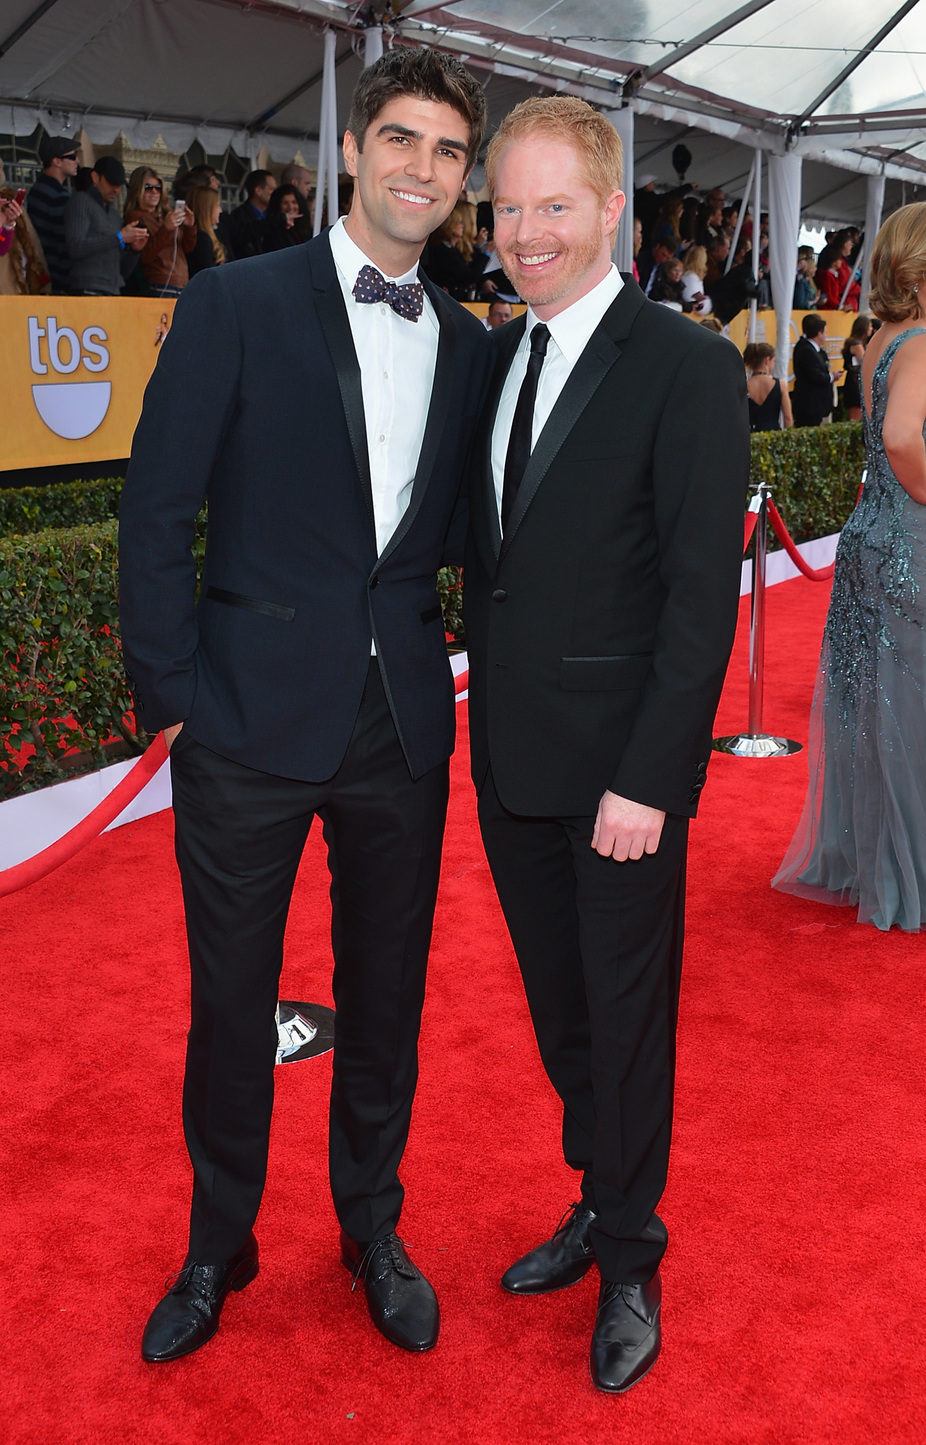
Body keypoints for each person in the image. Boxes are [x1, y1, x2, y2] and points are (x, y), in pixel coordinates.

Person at [118, 46, 488, 1364]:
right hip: (242, 726)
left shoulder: (466, 341)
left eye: (447, 152)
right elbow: (157, 510)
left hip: (401, 729)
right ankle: (219, 1244)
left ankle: (370, 1224)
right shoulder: (235, 302)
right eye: (400, 139)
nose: (421, 170)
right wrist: (172, 700)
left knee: (386, 995)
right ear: (350, 147)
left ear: (463, 179)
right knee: (231, 1004)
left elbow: (476, 547)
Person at [464, 96, 748, 1394]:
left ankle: (632, 1251)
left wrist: (652, 778)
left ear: (611, 212)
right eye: (508, 207)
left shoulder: (681, 365)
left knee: (626, 1020)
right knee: (564, 1013)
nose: (524, 232)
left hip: (621, 779)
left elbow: (702, 595)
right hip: (514, 763)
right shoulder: (496, 359)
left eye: (552, 206)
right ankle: (598, 1191)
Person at [773, 201, 926, 930]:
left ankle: (876, 860)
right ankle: (919, 871)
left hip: (868, 540)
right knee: (919, 704)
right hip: (911, 544)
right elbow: (897, 433)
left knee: (879, 706)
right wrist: (925, 485)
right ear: (925, 264)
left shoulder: (887, 335)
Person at [63, 155, 147, 294]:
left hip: (112, 290)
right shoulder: (81, 201)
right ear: (95, 177)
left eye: (119, 185)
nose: (116, 189)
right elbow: (75, 247)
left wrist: (134, 251)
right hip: (86, 289)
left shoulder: (114, 216)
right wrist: (119, 238)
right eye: (111, 182)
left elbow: (122, 271)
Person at [124, 167, 196, 297]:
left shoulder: (166, 215)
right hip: (160, 283)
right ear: (138, 189)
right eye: (148, 187)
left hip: (182, 283)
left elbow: (187, 248)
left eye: (158, 188)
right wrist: (166, 229)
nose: (154, 192)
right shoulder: (135, 217)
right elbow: (146, 256)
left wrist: (190, 227)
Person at [26, 136, 79, 293]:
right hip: (57, 278)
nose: (77, 161)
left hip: (46, 275)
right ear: (56, 161)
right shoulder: (58, 195)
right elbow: (65, 240)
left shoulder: (38, 190)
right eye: (72, 157)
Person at [792, 313, 840, 426]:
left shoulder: (815, 350)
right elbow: (814, 374)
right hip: (809, 405)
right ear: (819, 333)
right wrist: (831, 377)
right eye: (825, 332)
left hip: (815, 405)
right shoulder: (806, 350)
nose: (826, 335)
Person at [222, 169, 276, 260]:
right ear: (258, 190)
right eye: (271, 189)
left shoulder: (275, 214)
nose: (275, 194)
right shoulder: (237, 217)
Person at [744, 341, 793, 431]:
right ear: (767, 360)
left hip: (750, 437)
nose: (774, 365)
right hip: (773, 437)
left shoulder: (745, 386)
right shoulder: (780, 385)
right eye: (773, 361)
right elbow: (788, 417)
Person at [185, 185, 225, 275]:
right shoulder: (201, 238)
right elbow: (208, 277)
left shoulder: (205, 235)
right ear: (207, 209)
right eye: (217, 205)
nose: (220, 210)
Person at [261, 182, 311, 250]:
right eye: (285, 203)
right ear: (277, 206)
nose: (290, 207)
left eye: (294, 202)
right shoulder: (272, 231)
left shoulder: (305, 228)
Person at [841, 314, 872, 420]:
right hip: (855, 383)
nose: (871, 329)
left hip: (855, 380)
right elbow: (865, 362)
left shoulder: (858, 343)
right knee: (856, 414)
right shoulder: (856, 344)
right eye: (869, 326)